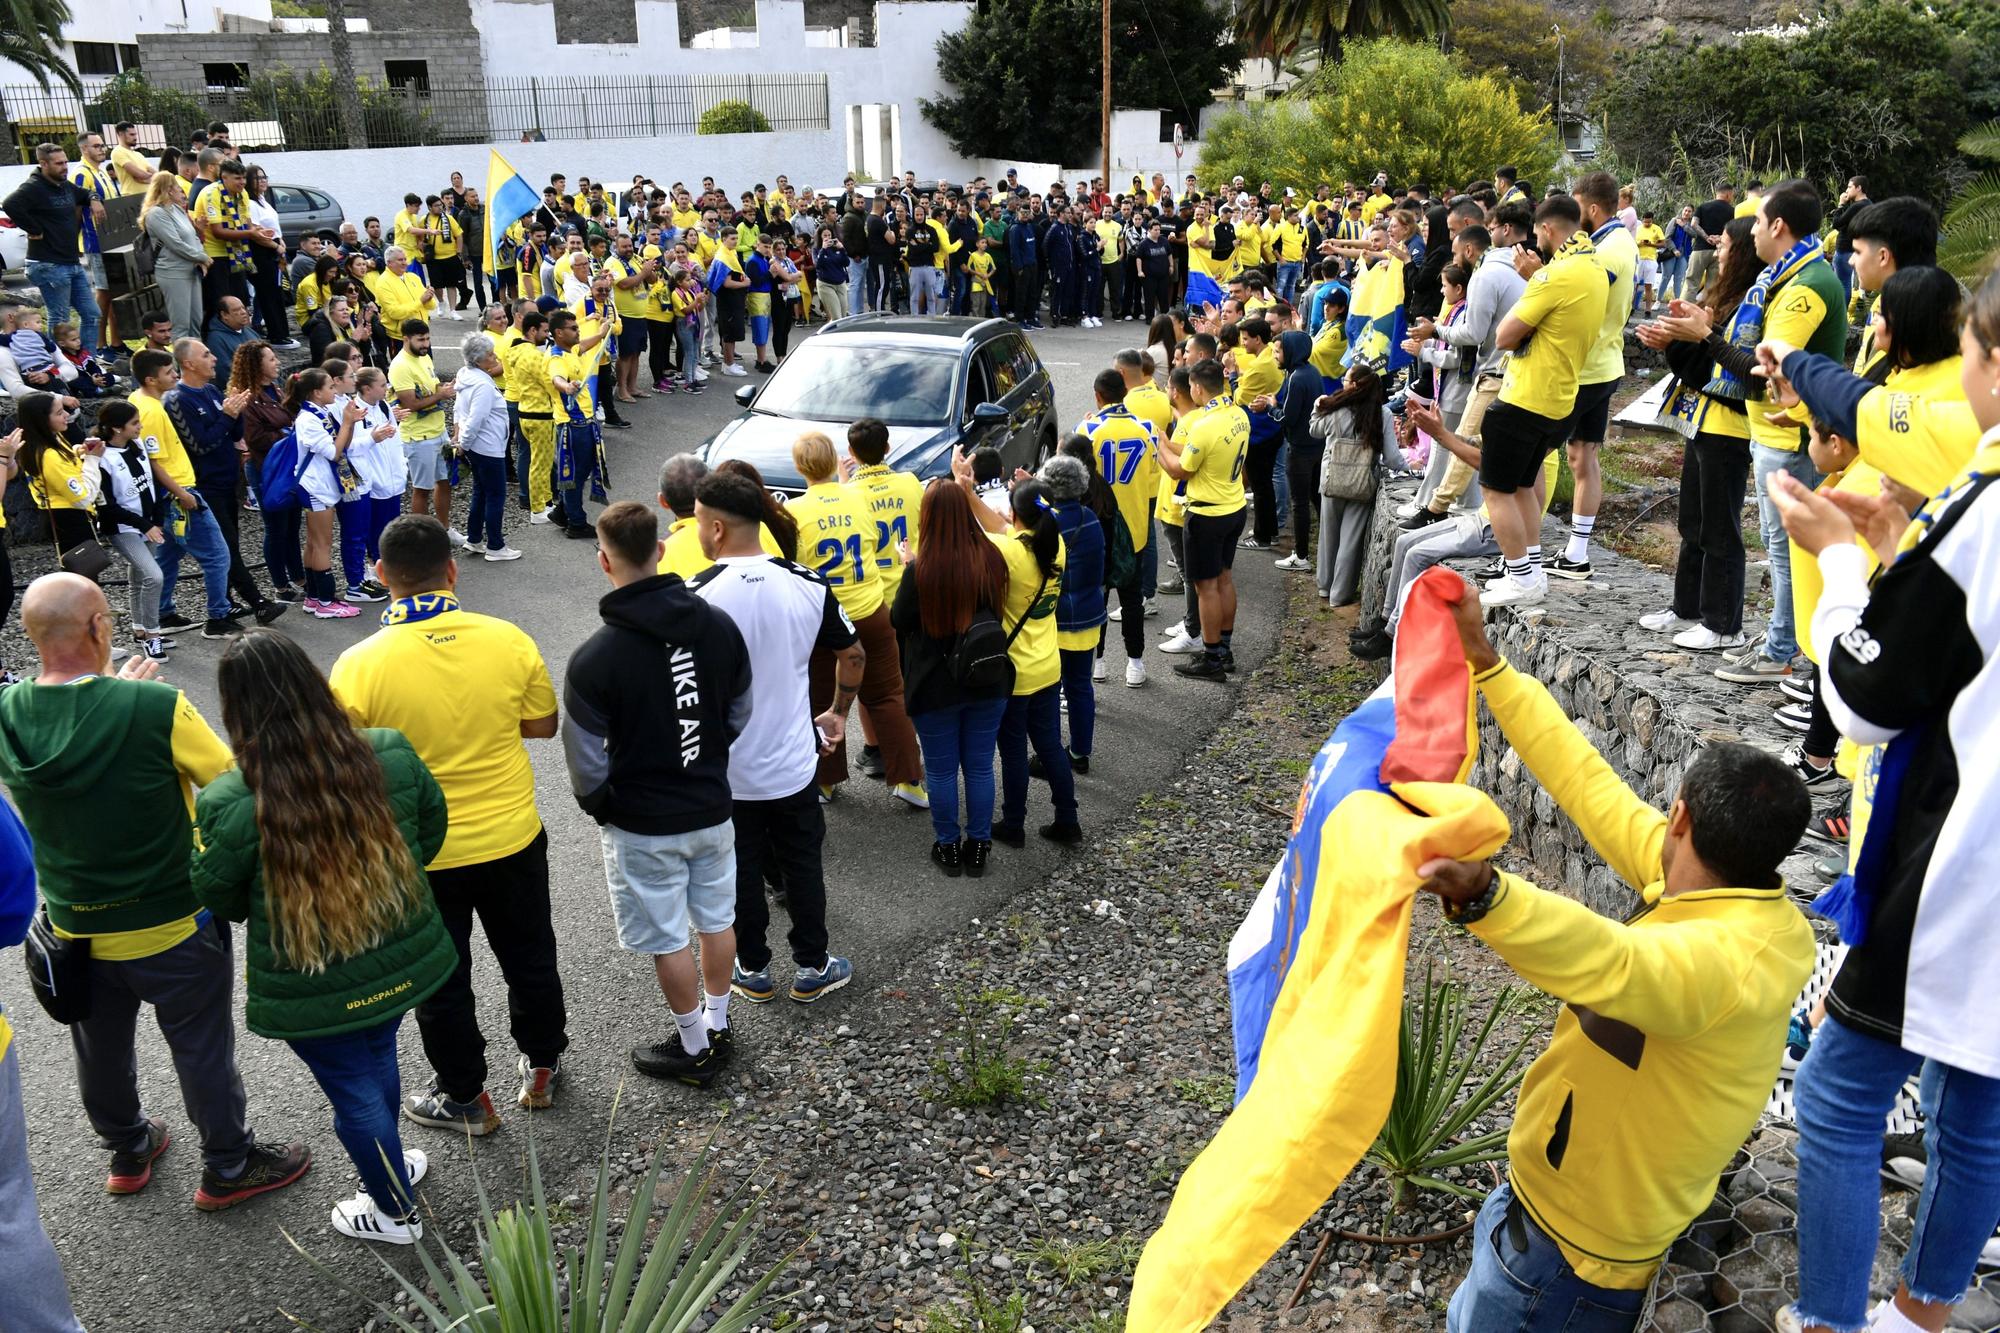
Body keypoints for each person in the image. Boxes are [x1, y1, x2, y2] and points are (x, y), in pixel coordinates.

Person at [1421, 574, 1814, 1332]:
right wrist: (1487, 661)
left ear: (1682, 816)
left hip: (1571, 1263)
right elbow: (1585, 780)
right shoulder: (1708, 883)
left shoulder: (1728, 965)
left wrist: (1487, 895)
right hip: (1541, 1211)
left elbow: (1615, 962)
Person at [1763, 264, 2000, 1333]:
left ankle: (1825, 1320)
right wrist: (1904, 543)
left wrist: (1845, 563)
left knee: (1837, 1097)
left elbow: (1862, 692)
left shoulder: (1992, 507)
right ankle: (1923, 1312)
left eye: (1974, 353)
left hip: (1957, 861)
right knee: (1980, 1103)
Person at [0, 572, 313, 1209]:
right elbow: (228, 782)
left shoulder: (6, 716)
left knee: (99, 1046)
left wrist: (104, 691)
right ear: (98, 627)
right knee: (201, 1046)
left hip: (72, 927)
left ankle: (128, 1147)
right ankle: (228, 1162)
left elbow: (66, 728)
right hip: (170, 919)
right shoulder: (153, 706)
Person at [192, 630, 453, 1246]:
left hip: (312, 978)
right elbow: (431, 830)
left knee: (353, 1093)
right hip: (396, 955)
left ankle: (392, 1210)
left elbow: (220, 896)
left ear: (236, 707)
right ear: (314, 682)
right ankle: (391, 1167)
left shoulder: (233, 797)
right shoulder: (385, 751)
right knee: (377, 1055)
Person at [330, 516, 568, 1129]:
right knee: (531, 955)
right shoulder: (507, 638)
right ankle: (542, 1065)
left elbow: (346, 766)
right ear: (453, 570)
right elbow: (542, 725)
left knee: (440, 977)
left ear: (381, 576)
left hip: (419, 853)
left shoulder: (357, 664)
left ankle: (465, 1096)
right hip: (512, 834)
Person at [563, 501, 753, 1087]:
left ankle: (694, 1047)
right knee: (717, 919)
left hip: (643, 821)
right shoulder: (717, 624)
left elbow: (584, 754)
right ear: (662, 550)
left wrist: (603, 805)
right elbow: (740, 707)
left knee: (667, 936)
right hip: (712, 805)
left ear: (604, 561)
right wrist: (708, 752)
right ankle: (718, 1024)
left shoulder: (595, 658)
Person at [687, 469, 862, 1006]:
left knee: (740, 869)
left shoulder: (697, 597)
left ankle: (752, 967)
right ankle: (813, 964)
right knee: (802, 864)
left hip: (729, 770)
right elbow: (852, 653)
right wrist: (836, 713)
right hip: (793, 762)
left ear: (716, 529)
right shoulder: (808, 583)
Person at [1713, 180, 1846, 686]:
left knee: (1786, 548)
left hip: (1790, 437)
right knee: (1776, 543)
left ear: (1778, 226)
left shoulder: (1806, 284)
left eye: (1760, 221)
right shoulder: (1782, 277)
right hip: (1770, 431)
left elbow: (1765, 367)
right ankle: (1780, 638)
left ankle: (1783, 651)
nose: (1752, 234)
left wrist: (1704, 337)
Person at [1633, 216, 1764, 653]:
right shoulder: (1721, 294)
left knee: (1720, 527)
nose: (1718, 250)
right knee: (1692, 519)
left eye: (1726, 244)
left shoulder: (1749, 304)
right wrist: (1670, 341)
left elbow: (1721, 370)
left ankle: (1723, 622)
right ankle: (1686, 607)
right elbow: (1700, 367)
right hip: (1701, 421)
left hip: (1729, 426)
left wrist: (1682, 342)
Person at [1477, 196, 1608, 609]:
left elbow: (1504, 335)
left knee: (1496, 490)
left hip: (1525, 396)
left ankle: (1520, 575)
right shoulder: (1595, 268)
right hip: (1560, 397)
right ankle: (1532, 571)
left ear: (1548, 229)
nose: (1536, 242)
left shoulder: (1557, 276)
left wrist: (1535, 280)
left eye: (1537, 234)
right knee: (1521, 486)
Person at [790, 431, 927, 807]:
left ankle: (826, 781)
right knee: (887, 695)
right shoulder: (859, 498)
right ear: (834, 460)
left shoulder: (795, 512)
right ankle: (909, 779)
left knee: (820, 695)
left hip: (824, 618)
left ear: (800, 466)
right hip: (870, 608)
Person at [949, 452, 1078, 846]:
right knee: (1050, 745)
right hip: (1048, 665)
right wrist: (969, 491)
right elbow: (1000, 528)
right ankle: (1067, 818)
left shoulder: (1007, 553)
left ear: (1014, 514)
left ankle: (1014, 823)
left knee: (1013, 751)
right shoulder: (1053, 544)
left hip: (1015, 672)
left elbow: (987, 533)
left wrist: (960, 486)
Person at [890, 478, 1013, 878]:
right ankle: (978, 847)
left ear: (927, 519)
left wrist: (907, 567)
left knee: (941, 772)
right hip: (987, 678)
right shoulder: (992, 559)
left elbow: (900, 620)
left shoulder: (921, 571)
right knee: (979, 767)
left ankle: (948, 846)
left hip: (934, 686)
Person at [1547, 173, 1639, 583]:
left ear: (1593, 209)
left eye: (1576, 207)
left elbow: (1577, 299)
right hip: (1601, 363)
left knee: (1541, 454)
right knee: (1581, 455)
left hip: (1585, 368)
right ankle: (1576, 554)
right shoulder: (1611, 242)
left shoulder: (1611, 250)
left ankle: (1525, 552)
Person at [165, 337, 289, 627]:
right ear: (189, 363)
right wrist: (227, 414)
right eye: (207, 355)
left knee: (221, 545)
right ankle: (257, 602)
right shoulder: (178, 399)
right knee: (225, 547)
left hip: (227, 481)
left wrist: (235, 413)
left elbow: (234, 435)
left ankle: (226, 602)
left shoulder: (209, 390)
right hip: (203, 485)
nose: (214, 359)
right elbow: (201, 444)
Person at [129, 348, 238, 637]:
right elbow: (153, 461)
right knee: (218, 555)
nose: (175, 375)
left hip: (172, 493)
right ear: (152, 379)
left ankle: (162, 612)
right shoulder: (151, 411)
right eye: (168, 372)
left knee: (168, 555)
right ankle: (218, 617)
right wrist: (183, 494)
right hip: (179, 493)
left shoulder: (143, 401)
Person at [1157, 357, 1249, 679]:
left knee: (1205, 587)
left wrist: (1158, 448)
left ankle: (1210, 659)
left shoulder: (1204, 425)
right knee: (1224, 579)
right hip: (1233, 507)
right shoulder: (1237, 413)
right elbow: (1200, 450)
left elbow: (1180, 469)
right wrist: (1170, 442)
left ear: (1196, 387)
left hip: (1206, 514)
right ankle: (1224, 649)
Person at [1075, 368, 1158, 686]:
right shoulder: (1146, 428)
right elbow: (1151, 479)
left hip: (1098, 527)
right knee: (1132, 599)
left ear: (1098, 395)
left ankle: (1097, 662)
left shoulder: (1089, 427)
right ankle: (1135, 663)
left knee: (1098, 596)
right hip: (1134, 526)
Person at [1040, 453, 1107, 770]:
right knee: (1081, 687)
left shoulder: (1048, 523)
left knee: (1050, 690)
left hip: (1058, 619)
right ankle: (1081, 753)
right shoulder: (1090, 518)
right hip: (1090, 613)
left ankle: (1050, 754)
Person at [1310, 363, 1397, 607]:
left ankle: (1324, 587)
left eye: (1346, 379)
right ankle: (1340, 594)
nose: (1342, 382)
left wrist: (1317, 408)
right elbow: (1392, 458)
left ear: (1355, 385)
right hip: (1362, 482)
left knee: (1329, 536)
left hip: (1332, 478)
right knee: (1351, 541)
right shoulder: (1383, 414)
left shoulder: (1336, 409)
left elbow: (1314, 431)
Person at [4, 143, 105, 354]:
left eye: (66, 162)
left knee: (92, 314)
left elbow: (85, 193)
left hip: (70, 262)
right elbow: (10, 204)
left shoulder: (64, 185)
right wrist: (33, 228)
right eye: (59, 163)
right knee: (59, 318)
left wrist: (94, 200)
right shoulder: (34, 187)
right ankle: (58, 362)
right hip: (48, 263)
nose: (65, 167)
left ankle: (87, 361)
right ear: (43, 164)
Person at [389, 318, 461, 543]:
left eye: (428, 339)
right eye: (421, 340)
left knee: (445, 482)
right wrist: (441, 395)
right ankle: (419, 538)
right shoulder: (400, 366)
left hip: (437, 431)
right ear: (406, 339)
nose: (425, 344)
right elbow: (409, 403)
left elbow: (434, 384)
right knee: (422, 488)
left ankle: (444, 529)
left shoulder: (425, 358)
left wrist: (445, 388)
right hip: (418, 437)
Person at [452, 331, 519, 562]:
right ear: (479, 360)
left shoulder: (465, 375)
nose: (495, 356)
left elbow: (460, 413)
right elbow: (475, 419)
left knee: (480, 492)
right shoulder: (481, 384)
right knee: (495, 495)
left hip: (478, 447)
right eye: (490, 355)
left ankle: (474, 538)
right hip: (487, 447)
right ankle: (495, 546)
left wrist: (463, 443)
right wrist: (464, 443)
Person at [139, 173, 209, 341]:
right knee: (181, 324)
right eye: (178, 187)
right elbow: (174, 243)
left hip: (191, 269)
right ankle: (181, 364)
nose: (181, 191)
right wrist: (201, 257)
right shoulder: (156, 214)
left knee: (196, 321)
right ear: (168, 190)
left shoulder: (177, 209)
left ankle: (196, 359)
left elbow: (192, 236)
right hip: (173, 272)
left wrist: (201, 257)